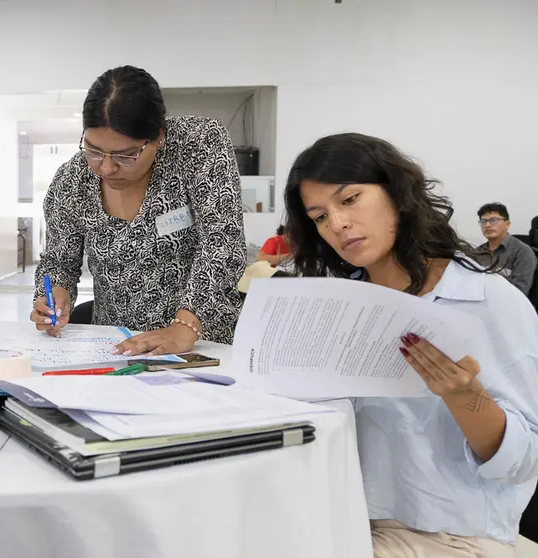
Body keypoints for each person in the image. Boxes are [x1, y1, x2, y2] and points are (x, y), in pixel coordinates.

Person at [284, 132, 538, 557]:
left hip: (450, 535)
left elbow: (524, 461)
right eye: (319, 217)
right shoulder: (342, 303)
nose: (337, 224)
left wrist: (465, 397)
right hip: (346, 518)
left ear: (397, 193)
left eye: (349, 200)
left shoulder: (486, 300)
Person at [30, 65, 245, 355]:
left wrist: (185, 327)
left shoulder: (197, 145)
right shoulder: (73, 180)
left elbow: (222, 241)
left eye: (125, 155)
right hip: (117, 348)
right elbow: (58, 261)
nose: (106, 168)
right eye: (93, 150)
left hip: (201, 344)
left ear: (158, 137)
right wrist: (54, 295)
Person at [475, 202, 536, 294]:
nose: (487, 225)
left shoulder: (523, 252)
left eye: (494, 220)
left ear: (507, 224)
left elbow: (519, 292)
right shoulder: (477, 253)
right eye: (483, 221)